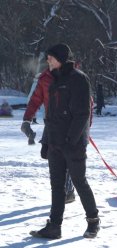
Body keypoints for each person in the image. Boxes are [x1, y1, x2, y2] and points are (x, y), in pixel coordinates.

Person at [30, 43, 100, 239]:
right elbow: (51, 116)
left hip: (73, 144)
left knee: (79, 181)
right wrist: (46, 142)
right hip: (54, 144)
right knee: (57, 186)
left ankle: (93, 221)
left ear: (60, 58)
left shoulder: (78, 79)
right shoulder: (54, 80)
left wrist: (71, 140)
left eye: (51, 57)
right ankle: (54, 226)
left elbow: (82, 114)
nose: (48, 61)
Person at [21, 66, 76, 203]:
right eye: (48, 58)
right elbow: (35, 101)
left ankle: (68, 191)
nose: (49, 61)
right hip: (51, 125)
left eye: (52, 57)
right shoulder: (45, 79)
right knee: (49, 156)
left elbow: (86, 106)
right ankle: (60, 190)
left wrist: (83, 129)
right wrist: (26, 120)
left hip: (70, 127)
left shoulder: (76, 77)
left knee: (68, 158)